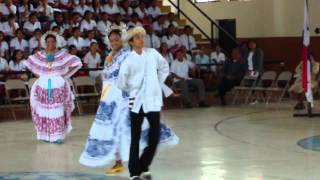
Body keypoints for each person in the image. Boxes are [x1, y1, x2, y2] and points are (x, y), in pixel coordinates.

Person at [79, 28, 178, 177]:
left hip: (127, 98)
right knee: (119, 131)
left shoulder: (127, 55)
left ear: (123, 40)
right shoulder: (109, 57)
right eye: (111, 40)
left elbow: (134, 76)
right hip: (112, 98)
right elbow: (108, 78)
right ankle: (129, 166)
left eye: (117, 39)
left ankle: (140, 164)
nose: (114, 43)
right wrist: (105, 95)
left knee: (141, 132)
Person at [117, 26, 174, 180]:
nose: (142, 40)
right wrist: (133, 89)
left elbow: (164, 68)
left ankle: (144, 165)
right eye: (138, 37)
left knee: (155, 135)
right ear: (131, 42)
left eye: (143, 36)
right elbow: (121, 83)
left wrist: (156, 83)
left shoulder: (153, 54)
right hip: (135, 101)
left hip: (153, 100)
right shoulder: (128, 60)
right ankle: (134, 172)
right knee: (135, 137)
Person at [24, 31, 82, 144]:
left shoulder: (62, 55)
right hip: (43, 85)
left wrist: (63, 75)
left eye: (53, 41)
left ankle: (57, 136)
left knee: (57, 109)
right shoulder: (40, 55)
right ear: (45, 43)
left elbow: (76, 62)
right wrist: (40, 75)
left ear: (56, 42)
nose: (50, 43)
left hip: (57, 85)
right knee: (44, 110)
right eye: (48, 41)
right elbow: (29, 64)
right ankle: (45, 135)